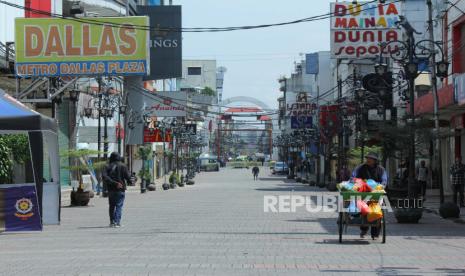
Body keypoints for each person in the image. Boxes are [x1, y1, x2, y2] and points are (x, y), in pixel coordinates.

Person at [352, 152, 387, 239]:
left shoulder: (381, 169)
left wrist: (381, 186)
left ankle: (375, 233)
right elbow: (354, 176)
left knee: (377, 211)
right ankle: (364, 228)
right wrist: (355, 182)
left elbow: (384, 180)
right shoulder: (360, 168)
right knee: (363, 210)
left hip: (376, 193)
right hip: (363, 193)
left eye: (370, 158)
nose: (368, 160)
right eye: (367, 158)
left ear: (375, 161)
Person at [102, 152, 131, 228]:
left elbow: (104, 177)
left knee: (111, 206)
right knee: (119, 206)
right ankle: (117, 222)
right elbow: (128, 177)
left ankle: (112, 222)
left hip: (111, 190)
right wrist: (130, 181)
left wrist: (113, 183)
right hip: (120, 189)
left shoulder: (107, 166)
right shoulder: (123, 166)